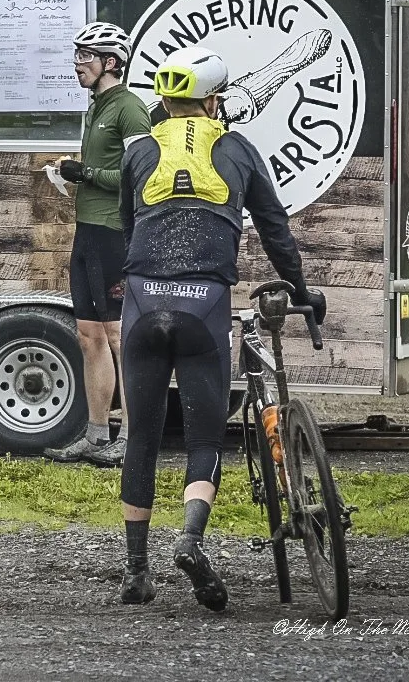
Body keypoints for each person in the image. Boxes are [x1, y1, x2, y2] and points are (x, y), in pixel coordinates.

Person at [116, 45, 323, 610]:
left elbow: (127, 227)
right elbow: (276, 231)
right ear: (213, 100)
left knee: (142, 436)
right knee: (205, 438)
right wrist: (302, 295)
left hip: (142, 300)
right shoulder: (237, 147)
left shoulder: (138, 152)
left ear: (163, 100)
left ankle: (136, 572)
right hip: (203, 303)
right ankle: (189, 540)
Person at [47, 22, 151, 467]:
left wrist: (84, 173)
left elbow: (140, 175)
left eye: (85, 56)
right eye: (75, 56)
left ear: (111, 62)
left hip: (115, 231)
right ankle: (95, 434)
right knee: (88, 336)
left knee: (118, 335)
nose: (77, 65)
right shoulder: (97, 107)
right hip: (87, 229)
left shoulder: (129, 108)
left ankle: (131, 436)